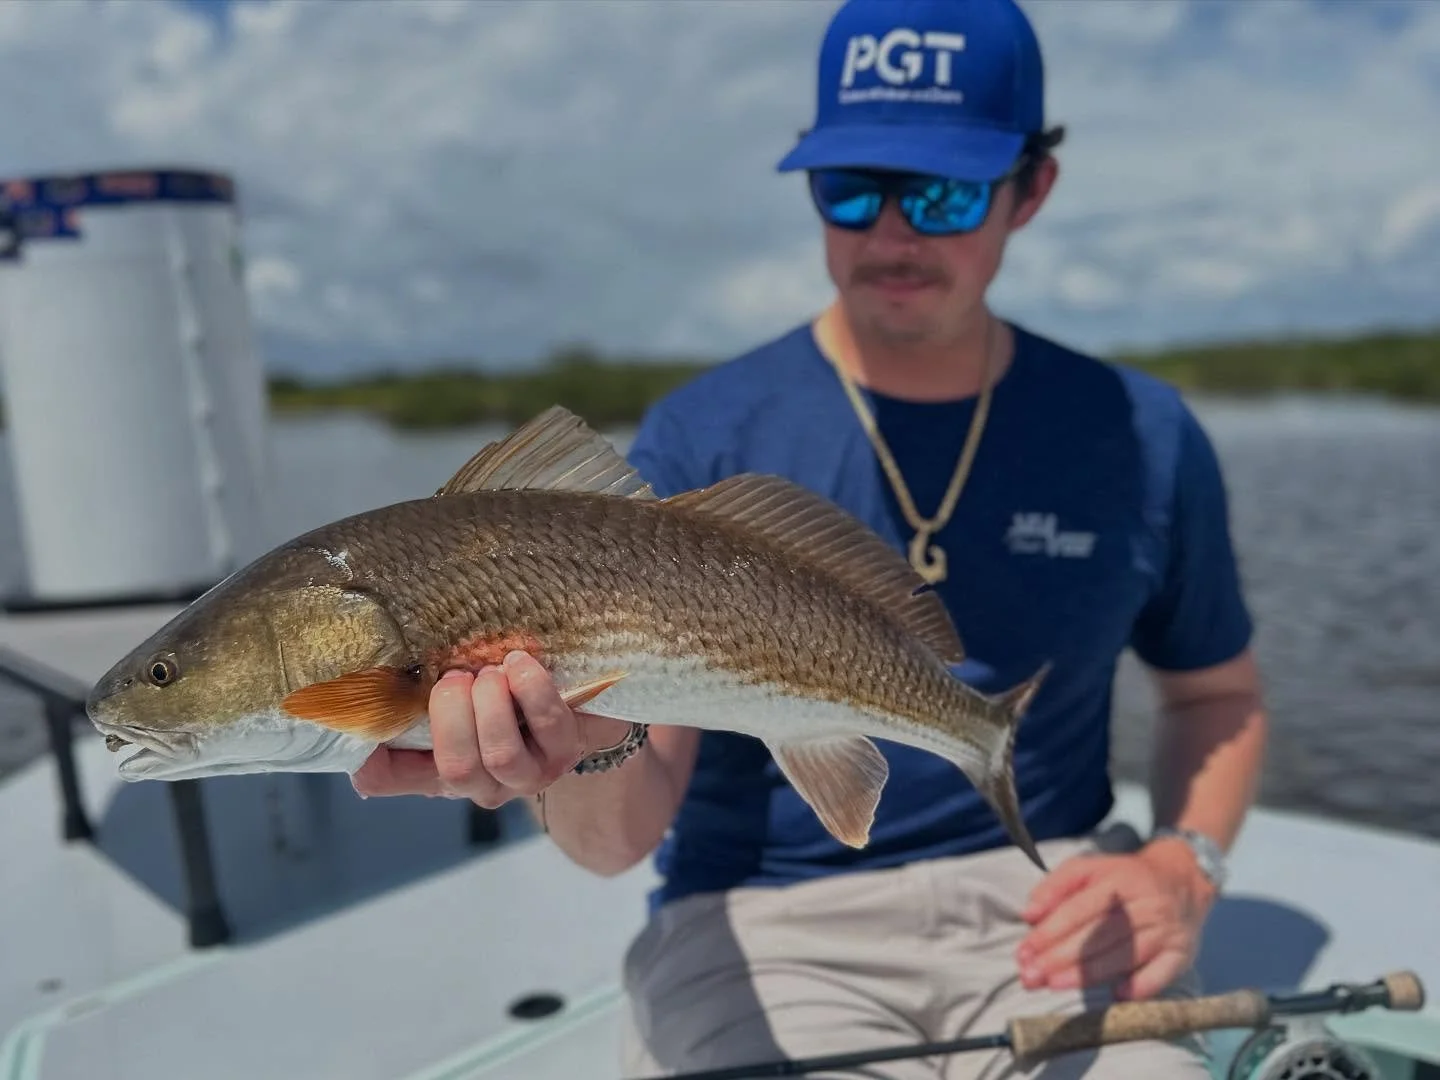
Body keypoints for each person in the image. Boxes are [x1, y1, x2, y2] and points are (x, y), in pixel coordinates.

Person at [352, 0, 1270, 1075]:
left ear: (1031, 191)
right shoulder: (702, 433)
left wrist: (1185, 864)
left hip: (1058, 892)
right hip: (767, 917)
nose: (892, 232)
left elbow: (1217, 695)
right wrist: (573, 747)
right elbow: (615, 845)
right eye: (851, 188)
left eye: (945, 192)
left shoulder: (1143, 433)